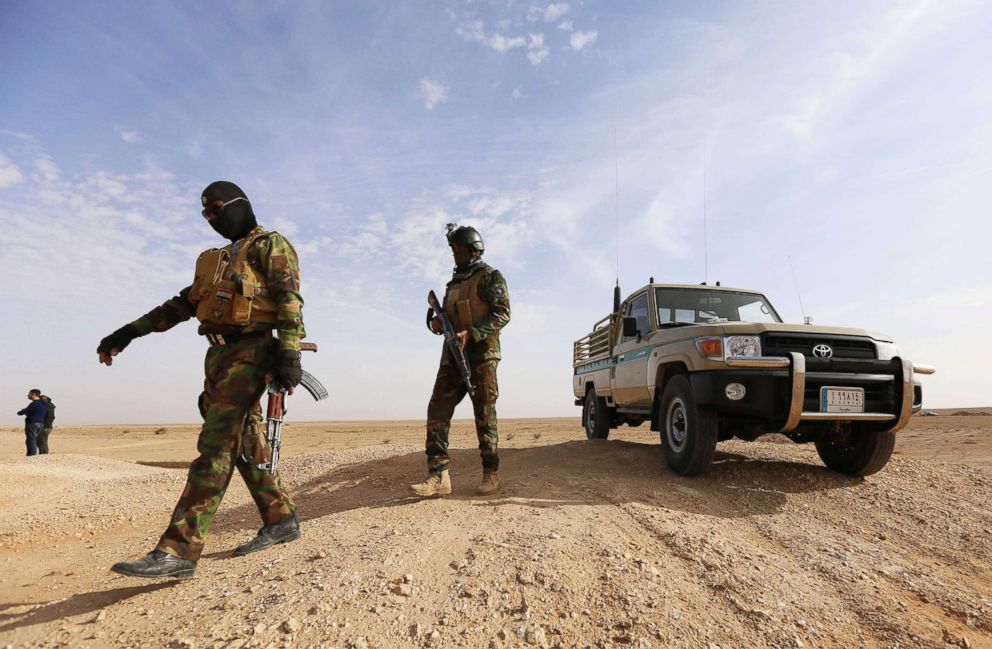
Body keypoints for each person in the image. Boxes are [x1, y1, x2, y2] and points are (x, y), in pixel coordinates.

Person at [98, 181, 307, 579]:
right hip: (218, 355)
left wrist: (289, 351)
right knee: (244, 442)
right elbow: (179, 305)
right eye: (205, 214)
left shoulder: (270, 245)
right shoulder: (216, 260)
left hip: (252, 350)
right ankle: (280, 519)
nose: (211, 219)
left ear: (238, 205)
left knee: (215, 445)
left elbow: (288, 300)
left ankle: (179, 549)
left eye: (216, 210)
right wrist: (125, 334)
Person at [410, 224, 511, 498]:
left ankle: (491, 474)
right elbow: (450, 317)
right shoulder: (453, 284)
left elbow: (502, 314)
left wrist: (474, 333)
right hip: (452, 356)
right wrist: (438, 324)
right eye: (452, 249)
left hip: (482, 356)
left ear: (472, 249)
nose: (454, 253)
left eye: (457, 248)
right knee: (437, 410)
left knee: (484, 415)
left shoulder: (491, 277)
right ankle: (439, 475)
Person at [16, 389, 46, 456]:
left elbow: (24, 411)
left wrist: (21, 412)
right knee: (34, 439)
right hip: (40, 424)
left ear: (34, 394)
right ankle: (35, 454)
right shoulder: (43, 404)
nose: (28, 395)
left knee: (31, 440)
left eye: (29, 393)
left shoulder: (34, 404)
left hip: (32, 423)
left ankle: (32, 455)